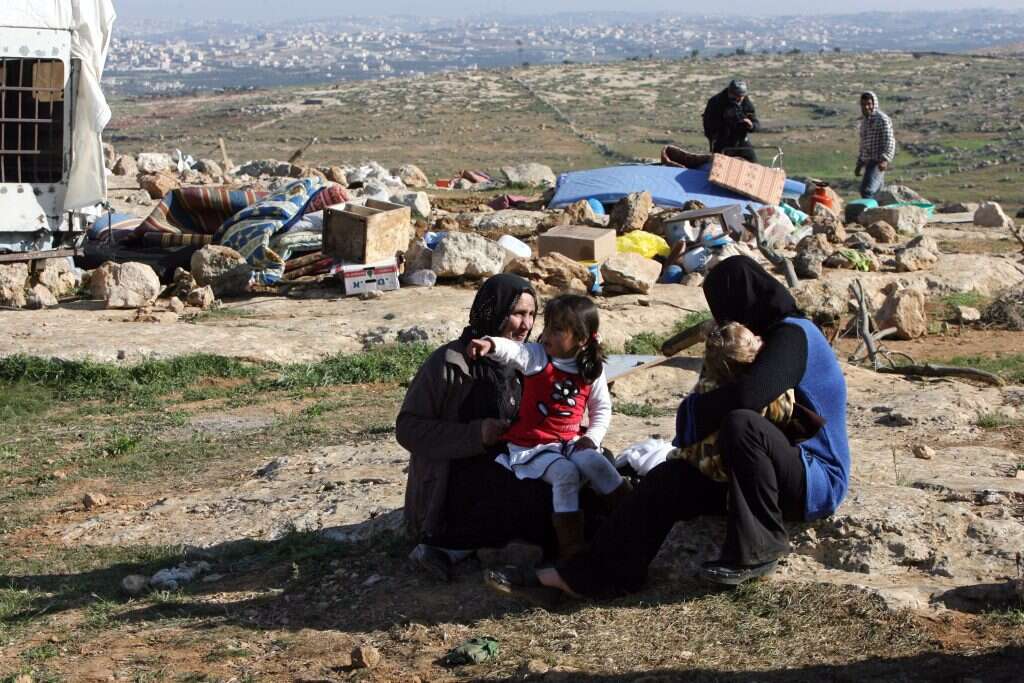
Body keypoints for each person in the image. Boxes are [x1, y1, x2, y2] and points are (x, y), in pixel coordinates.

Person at [487, 256, 849, 600]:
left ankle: (759, 548)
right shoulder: (764, 337)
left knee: (742, 422)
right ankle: (594, 574)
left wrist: (693, 412)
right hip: (753, 472)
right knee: (668, 479)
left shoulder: (794, 336)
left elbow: (748, 397)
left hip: (812, 477)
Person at [397, 274, 554, 581]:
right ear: (493, 311)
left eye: (532, 314)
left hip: (516, 462)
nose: (526, 325)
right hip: (459, 476)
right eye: (518, 313)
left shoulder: (529, 362)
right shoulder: (449, 362)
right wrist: (475, 434)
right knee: (510, 491)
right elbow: (408, 429)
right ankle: (442, 548)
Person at [467, 294, 631, 559]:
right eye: (547, 327)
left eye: (557, 330)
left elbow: (601, 409)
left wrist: (593, 437)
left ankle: (632, 518)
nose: (545, 336)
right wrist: (490, 344)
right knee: (565, 474)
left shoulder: (591, 369)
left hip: (570, 441)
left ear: (581, 338)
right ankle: (572, 549)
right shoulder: (538, 358)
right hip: (533, 444)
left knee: (599, 464)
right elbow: (514, 351)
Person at [702, 79, 760, 163]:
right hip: (722, 143)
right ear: (730, 93)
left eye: (741, 97)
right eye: (736, 97)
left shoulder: (745, 102)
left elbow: (756, 123)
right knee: (719, 167)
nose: (739, 100)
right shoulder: (716, 102)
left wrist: (751, 125)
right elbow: (708, 125)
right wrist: (725, 120)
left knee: (755, 166)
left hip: (741, 141)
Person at [854, 91, 895, 199]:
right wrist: (860, 163)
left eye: (869, 104)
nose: (866, 107)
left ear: (874, 104)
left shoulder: (881, 119)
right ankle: (878, 214)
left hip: (878, 161)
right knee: (877, 193)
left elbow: (889, 140)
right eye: (863, 104)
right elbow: (864, 144)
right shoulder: (864, 122)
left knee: (867, 191)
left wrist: (885, 159)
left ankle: (869, 213)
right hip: (868, 161)